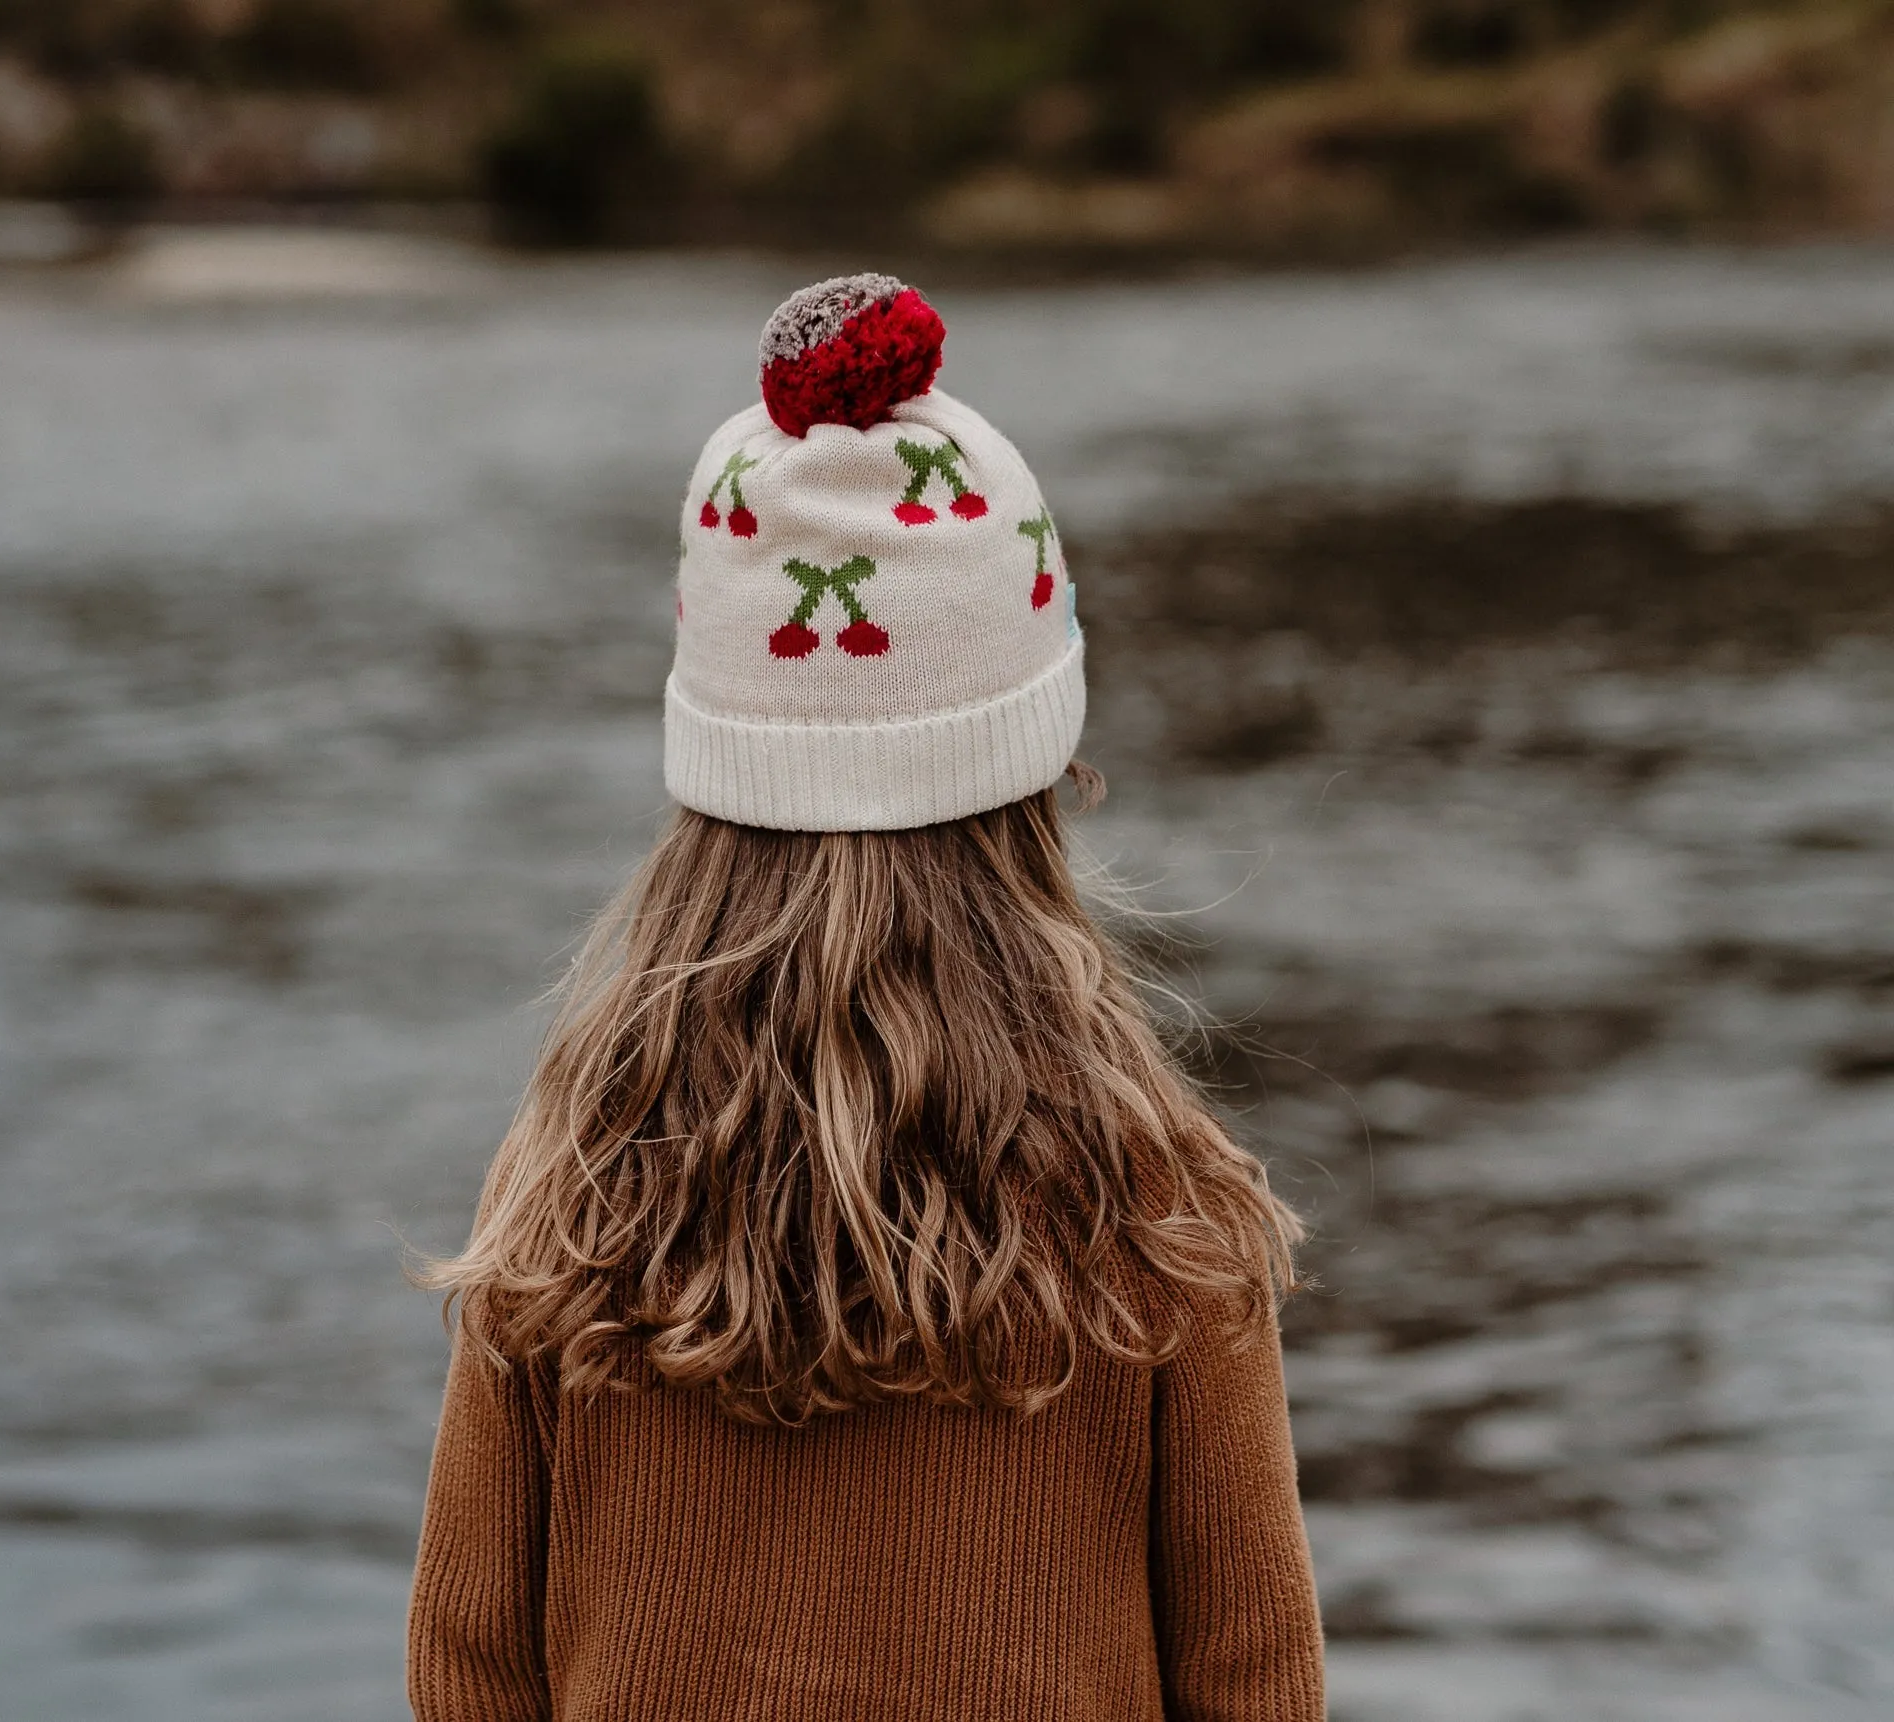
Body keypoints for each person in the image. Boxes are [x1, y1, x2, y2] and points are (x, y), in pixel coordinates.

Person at [407, 275, 1325, 1721]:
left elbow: (467, 1672)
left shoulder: (570, 1200)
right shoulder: (1161, 1212)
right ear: (1031, 801)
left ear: (708, 804)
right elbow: (1256, 1682)